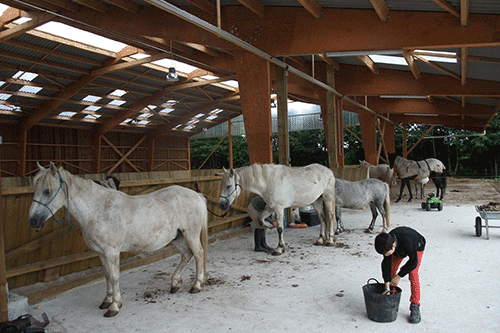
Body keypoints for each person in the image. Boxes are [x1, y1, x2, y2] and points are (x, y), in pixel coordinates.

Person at [374, 226, 426, 324]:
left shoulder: (408, 242)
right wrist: (386, 285)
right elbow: (386, 265)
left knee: (413, 274)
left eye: (388, 253)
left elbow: (413, 262)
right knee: (391, 270)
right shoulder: (386, 243)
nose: (386, 256)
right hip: (400, 248)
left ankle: (415, 305)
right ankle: (391, 295)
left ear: (393, 246)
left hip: (417, 244)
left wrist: (399, 276)